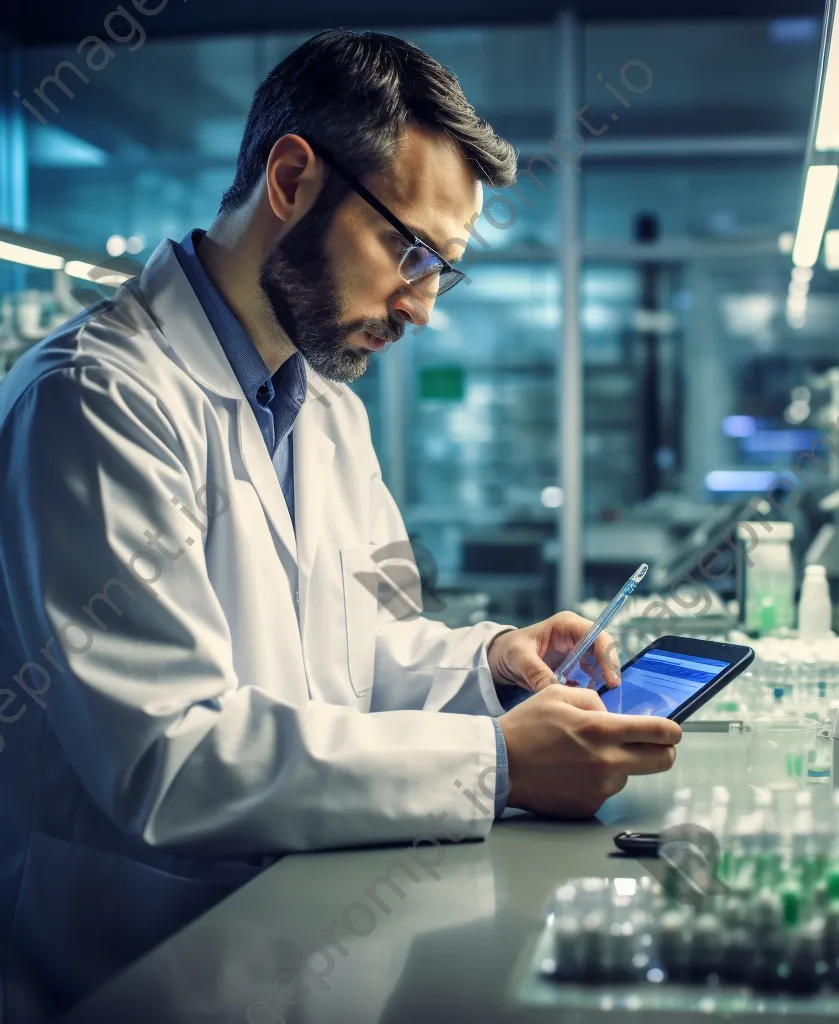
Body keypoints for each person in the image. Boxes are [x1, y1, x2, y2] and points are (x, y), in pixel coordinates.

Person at [0, 29, 681, 1021]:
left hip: (316, 936)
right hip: (138, 968)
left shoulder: (326, 409)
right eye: (409, 251)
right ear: (290, 178)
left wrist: (490, 664)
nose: (422, 307)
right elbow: (171, 755)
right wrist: (499, 763)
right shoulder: (93, 399)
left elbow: (364, 652)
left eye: (443, 269)